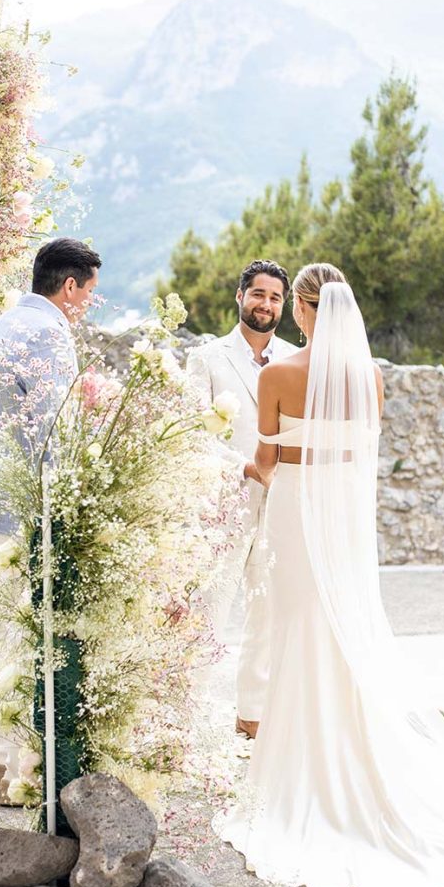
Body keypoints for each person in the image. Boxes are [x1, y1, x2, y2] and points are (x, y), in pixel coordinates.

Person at [213, 262, 444, 887]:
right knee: (340, 629)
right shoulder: (370, 378)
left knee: (296, 628)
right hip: (341, 519)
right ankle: (355, 755)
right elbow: (360, 461)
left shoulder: (277, 375)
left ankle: (301, 766)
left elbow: (266, 464)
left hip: (294, 513)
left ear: (303, 309)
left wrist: (228, 467)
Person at [0, 237, 101, 804]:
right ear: (69, 286)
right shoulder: (50, 333)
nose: (87, 304)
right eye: (89, 292)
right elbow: (55, 433)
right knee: (34, 639)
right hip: (29, 506)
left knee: (5, 634)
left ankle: (4, 762)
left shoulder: (2, 323)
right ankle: (23, 773)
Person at [187, 260, 296, 737]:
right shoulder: (207, 358)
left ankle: (251, 716)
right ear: (240, 296)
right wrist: (246, 468)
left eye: (275, 297)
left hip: (279, 507)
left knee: (267, 613)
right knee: (206, 613)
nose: (265, 304)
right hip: (223, 505)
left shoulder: (295, 359)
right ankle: (185, 719)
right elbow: (192, 435)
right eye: (258, 294)